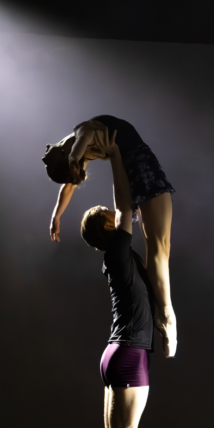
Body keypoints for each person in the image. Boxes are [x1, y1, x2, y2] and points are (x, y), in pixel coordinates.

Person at [42, 115, 177, 357]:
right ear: (63, 153)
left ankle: (162, 310)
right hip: (139, 168)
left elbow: (78, 153)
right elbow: (70, 179)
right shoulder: (80, 137)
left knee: (156, 250)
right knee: (159, 249)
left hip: (133, 173)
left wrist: (56, 215)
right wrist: (73, 161)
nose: (44, 151)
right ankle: (166, 315)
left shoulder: (81, 137)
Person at [80, 128, 156, 428]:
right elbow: (125, 203)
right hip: (127, 355)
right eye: (111, 216)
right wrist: (115, 159)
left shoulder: (117, 256)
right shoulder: (117, 251)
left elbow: (128, 209)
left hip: (118, 352)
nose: (118, 215)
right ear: (108, 228)